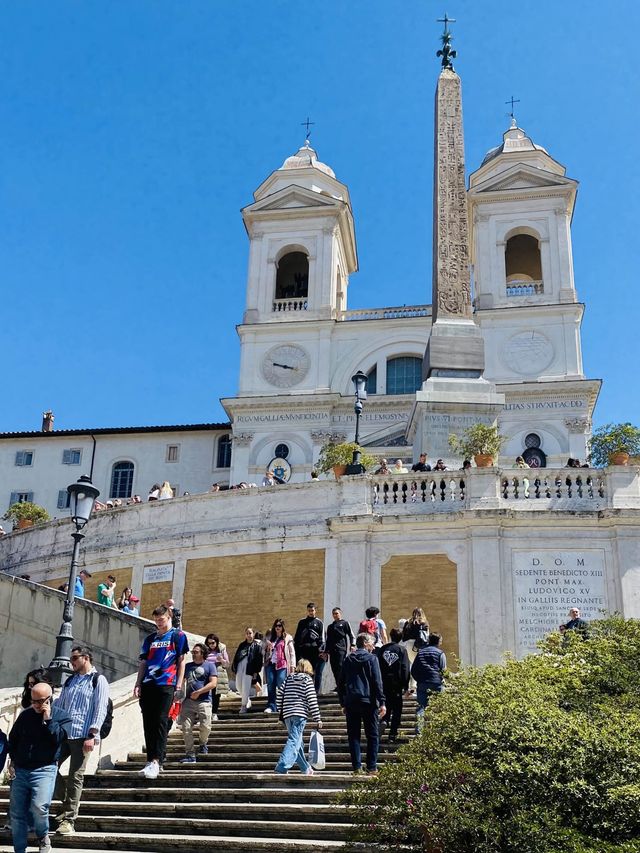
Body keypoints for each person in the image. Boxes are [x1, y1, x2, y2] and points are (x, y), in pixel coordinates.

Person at [8, 681, 73, 853]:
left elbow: (58, 738)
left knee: (39, 807)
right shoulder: (25, 716)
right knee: (16, 813)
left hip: (45, 769)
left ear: (49, 699)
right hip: (21, 769)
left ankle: (43, 836)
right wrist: (12, 760)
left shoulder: (62, 716)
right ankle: (19, 849)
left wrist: (48, 719)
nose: (36, 705)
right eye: (33, 701)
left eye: (40, 701)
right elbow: (13, 739)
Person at [52, 645, 109, 835]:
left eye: (75, 658)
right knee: (48, 766)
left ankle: (69, 820)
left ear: (86, 658)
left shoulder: (98, 680)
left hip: (83, 735)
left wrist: (93, 735)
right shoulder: (70, 680)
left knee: (76, 776)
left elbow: (100, 708)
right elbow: (60, 705)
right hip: (64, 733)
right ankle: (68, 803)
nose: (72, 662)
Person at [134, 604, 189, 779]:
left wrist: (178, 686)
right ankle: (151, 760)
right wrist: (138, 683)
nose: (159, 623)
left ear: (169, 617)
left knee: (160, 721)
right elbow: (143, 662)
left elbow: (181, 662)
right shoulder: (150, 639)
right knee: (148, 724)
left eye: (162, 619)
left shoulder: (178, 636)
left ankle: (157, 761)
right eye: (156, 620)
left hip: (167, 684)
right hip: (148, 684)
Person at [338, 633, 386, 775]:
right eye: (372, 642)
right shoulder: (372, 659)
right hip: (368, 701)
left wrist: (343, 702)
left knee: (354, 736)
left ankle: (357, 767)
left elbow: (340, 683)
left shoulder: (348, 659)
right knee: (372, 735)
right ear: (365, 643)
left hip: (352, 701)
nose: (373, 645)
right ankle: (371, 767)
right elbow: (377, 682)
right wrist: (382, 701)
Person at [274, 659, 322, 775]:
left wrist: (281, 709)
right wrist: (317, 718)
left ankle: (305, 768)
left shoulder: (289, 678)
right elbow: (312, 699)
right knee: (294, 740)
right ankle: (281, 766)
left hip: (287, 714)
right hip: (299, 713)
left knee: (297, 742)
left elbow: (280, 694)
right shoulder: (307, 680)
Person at [179, 643, 218, 763]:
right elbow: (180, 681)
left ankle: (202, 743)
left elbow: (213, 683)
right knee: (186, 728)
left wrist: (199, 692)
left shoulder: (210, 666)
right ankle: (190, 754)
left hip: (204, 701)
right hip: (188, 702)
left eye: (196, 652)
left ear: (202, 653)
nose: (193, 654)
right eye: (193, 652)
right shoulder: (187, 666)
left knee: (205, 727)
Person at [377, 628, 410, 742]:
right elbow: (405, 668)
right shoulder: (401, 650)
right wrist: (406, 686)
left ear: (390, 636)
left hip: (383, 683)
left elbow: (377, 666)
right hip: (396, 684)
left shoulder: (382, 649)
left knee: (385, 705)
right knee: (397, 710)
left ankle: (384, 721)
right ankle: (392, 734)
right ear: (400, 638)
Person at [411, 632, 446, 728]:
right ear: (438, 642)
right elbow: (443, 670)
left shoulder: (420, 652)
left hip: (423, 683)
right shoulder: (440, 653)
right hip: (437, 683)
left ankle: (419, 732)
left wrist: (419, 679)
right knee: (441, 707)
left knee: (421, 708)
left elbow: (413, 669)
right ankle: (441, 729)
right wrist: (442, 679)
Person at [263, 619, 296, 714]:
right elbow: (262, 651)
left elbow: (292, 653)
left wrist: (293, 666)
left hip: (282, 664)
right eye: (276, 625)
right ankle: (271, 706)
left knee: (281, 683)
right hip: (270, 663)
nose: (277, 627)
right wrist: (266, 646)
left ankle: (283, 705)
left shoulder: (287, 637)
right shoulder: (271, 637)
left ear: (283, 627)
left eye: (280, 625)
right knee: (270, 684)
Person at [294, 603, 325, 693]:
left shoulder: (319, 622)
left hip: (315, 651)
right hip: (303, 651)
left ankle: (314, 692)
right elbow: (297, 637)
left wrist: (321, 650)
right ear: (307, 611)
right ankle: (303, 691)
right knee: (303, 671)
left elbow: (322, 638)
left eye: (312, 610)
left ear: (315, 610)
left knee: (314, 672)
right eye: (309, 611)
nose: (311, 612)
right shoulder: (302, 622)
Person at [231, 627, 263, 714]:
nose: (249, 635)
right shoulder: (242, 645)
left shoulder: (257, 646)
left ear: (253, 634)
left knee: (245, 686)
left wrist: (256, 671)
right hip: (240, 666)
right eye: (247, 633)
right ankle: (247, 699)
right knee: (238, 686)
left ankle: (244, 706)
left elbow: (259, 660)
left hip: (249, 668)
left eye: (250, 633)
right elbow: (237, 656)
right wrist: (234, 667)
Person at [323, 607, 355, 690]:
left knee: (340, 666)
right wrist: (326, 651)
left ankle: (343, 685)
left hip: (341, 649)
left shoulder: (345, 623)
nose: (335, 615)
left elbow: (351, 635)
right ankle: (338, 685)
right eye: (333, 614)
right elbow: (328, 640)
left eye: (336, 613)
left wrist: (353, 645)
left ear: (340, 613)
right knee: (334, 668)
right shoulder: (330, 626)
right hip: (332, 650)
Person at [401, 607, 430, 692]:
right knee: (420, 664)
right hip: (420, 645)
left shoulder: (408, 622)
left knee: (411, 664)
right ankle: (419, 684)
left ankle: (412, 685)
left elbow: (404, 635)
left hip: (409, 644)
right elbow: (427, 636)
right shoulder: (424, 623)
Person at [204, 633, 229, 720]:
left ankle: (214, 713)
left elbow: (227, 664)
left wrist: (221, 660)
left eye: (213, 643)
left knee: (215, 695)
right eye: (209, 643)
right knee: (206, 694)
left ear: (217, 642)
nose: (211, 645)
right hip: (207, 675)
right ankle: (207, 714)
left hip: (217, 675)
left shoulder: (221, 650)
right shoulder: (205, 651)